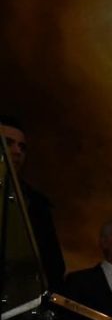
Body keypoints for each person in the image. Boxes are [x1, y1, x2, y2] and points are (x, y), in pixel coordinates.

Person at [1, 115, 66, 288]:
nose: (17, 152)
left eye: (22, 147)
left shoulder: (36, 203)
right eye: (8, 143)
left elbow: (53, 265)